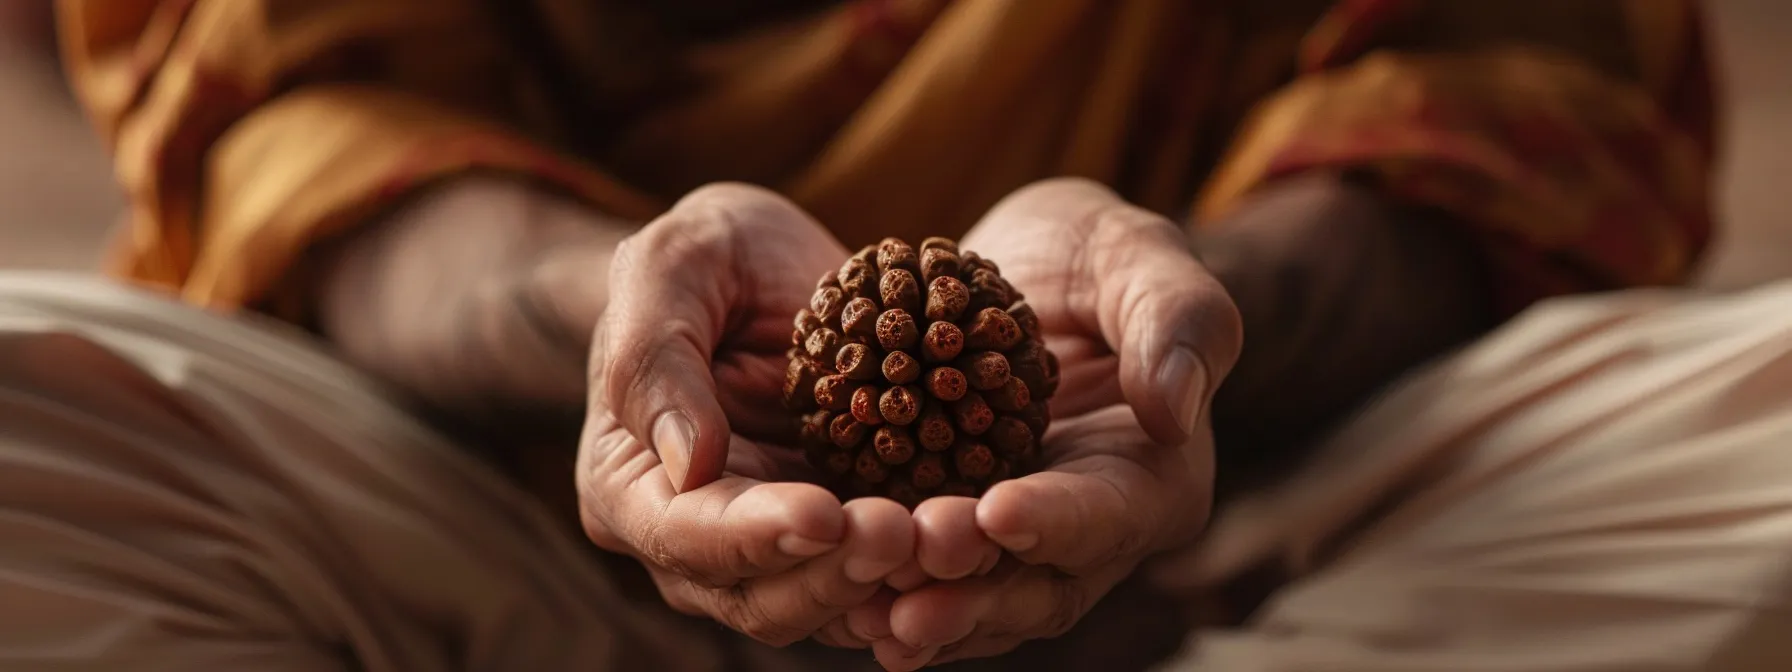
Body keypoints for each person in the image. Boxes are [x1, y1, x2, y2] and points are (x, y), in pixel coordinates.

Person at [0, 0, 1752, 670]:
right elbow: (323, 129)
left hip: (1240, 529)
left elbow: (1489, 103)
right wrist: (630, 320)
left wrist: (1170, 325)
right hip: (511, 524)